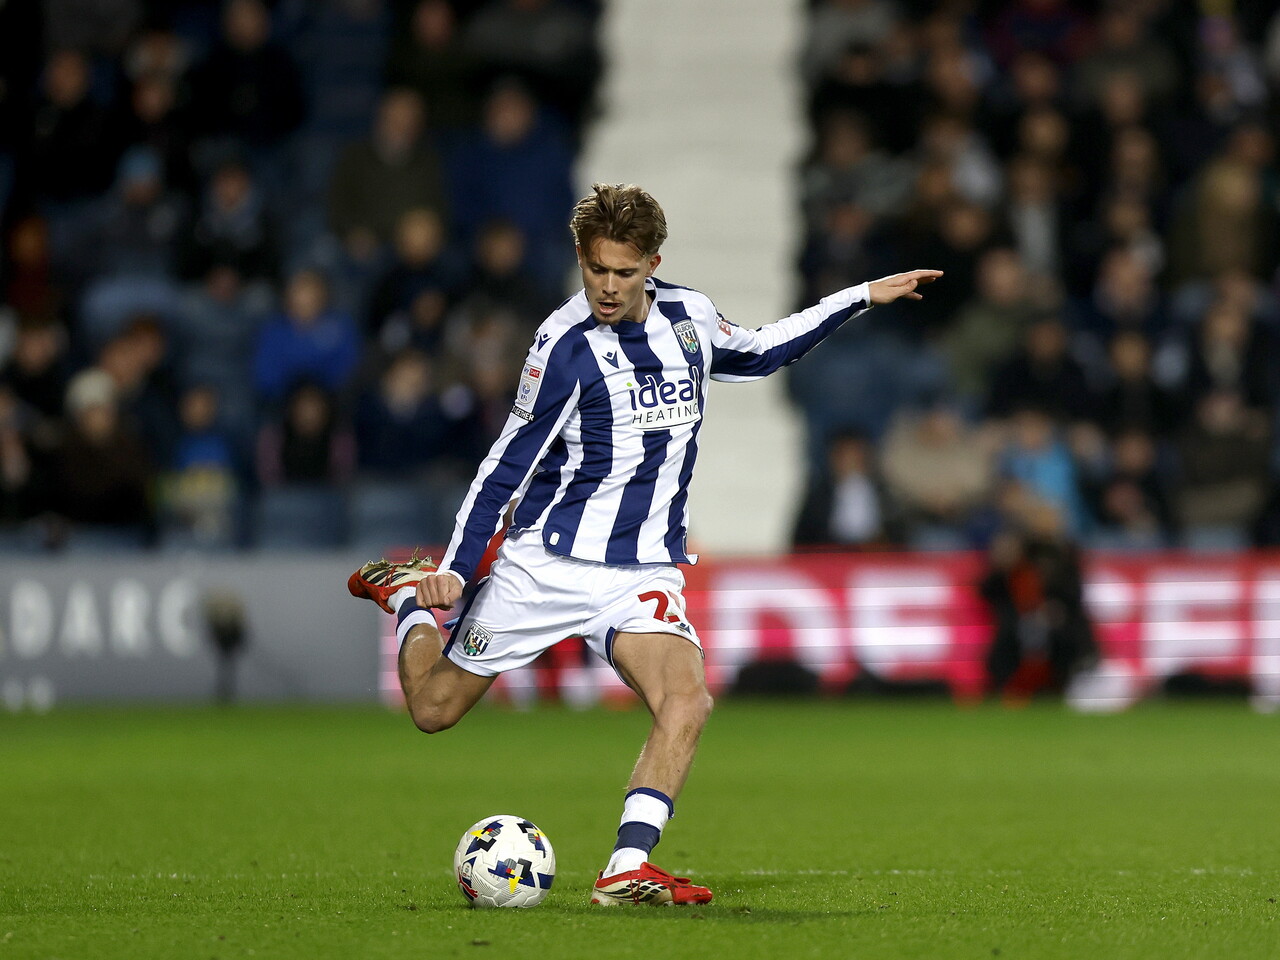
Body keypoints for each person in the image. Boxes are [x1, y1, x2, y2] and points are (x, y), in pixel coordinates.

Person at [346, 183, 941, 906]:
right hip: (547, 564)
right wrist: (452, 569)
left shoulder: (689, 318)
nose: (607, 286)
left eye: (624, 272)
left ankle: (626, 867)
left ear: (652, 265)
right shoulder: (563, 347)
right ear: (581, 259)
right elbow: (505, 465)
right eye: (596, 268)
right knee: (433, 710)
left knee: (686, 700)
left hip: (642, 572)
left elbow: (761, 353)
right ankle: (406, 601)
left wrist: (861, 296)